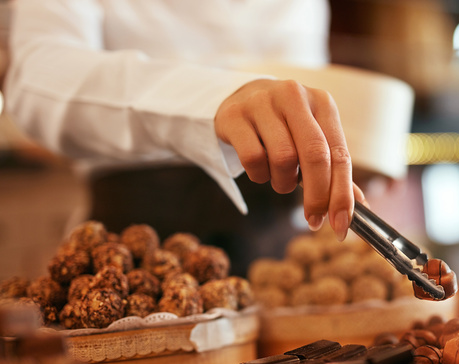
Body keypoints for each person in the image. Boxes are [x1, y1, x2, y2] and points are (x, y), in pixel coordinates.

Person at [4, 1, 411, 276]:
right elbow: (36, 76)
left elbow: (299, 83)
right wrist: (212, 99)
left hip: (281, 264)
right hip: (133, 260)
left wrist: (334, 155)